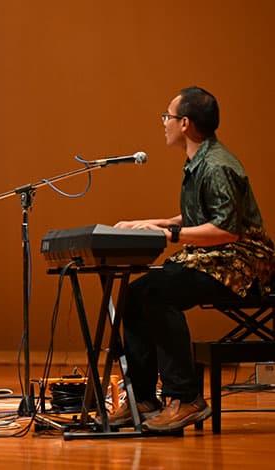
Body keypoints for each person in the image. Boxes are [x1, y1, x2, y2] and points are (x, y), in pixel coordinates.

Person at [111, 86, 274, 431]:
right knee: (135, 294)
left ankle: (186, 399)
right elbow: (201, 215)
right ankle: (143, 398)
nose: (164, 123)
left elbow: (227, 231)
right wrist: (153, 222)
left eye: (167, 117)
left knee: (157, 292)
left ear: (184, 123)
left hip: (240, 262)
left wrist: (170, 235)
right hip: (216, 256)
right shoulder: (200, 159)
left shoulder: (216, 166)